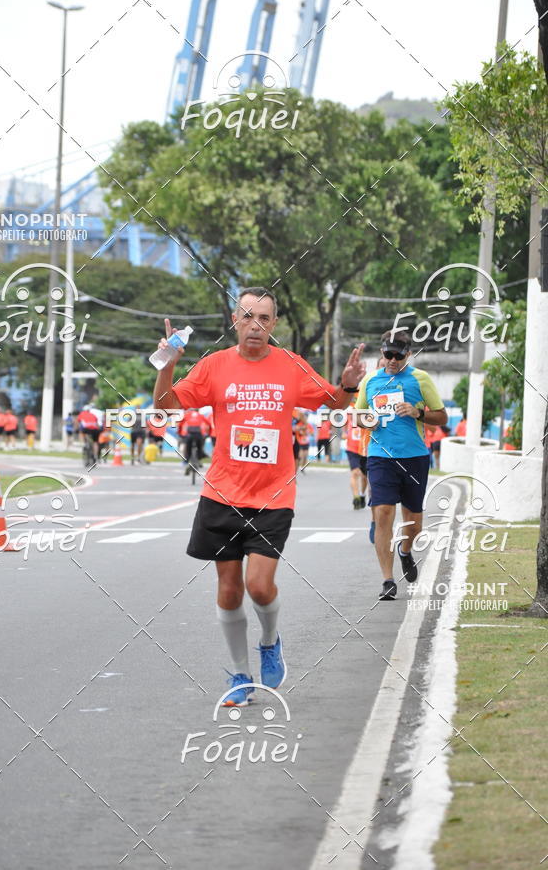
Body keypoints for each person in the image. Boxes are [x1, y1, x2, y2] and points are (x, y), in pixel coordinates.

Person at [153, 287, 366, 707]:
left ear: (274, 325)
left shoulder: (290, 366)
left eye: (264, 318)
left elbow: (332, 403)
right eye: (248, 316)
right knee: (229, 592)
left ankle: (269, 640)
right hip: (222, 494)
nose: (256, 325)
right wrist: (167, 366)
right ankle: (240, 676)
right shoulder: (214, 366)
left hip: (274, 496)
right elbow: (165, 407)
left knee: (259, 586)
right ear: (235, 320)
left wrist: (347, 386)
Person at [355, 330, 447, 601]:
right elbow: (358, 415)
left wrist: (417, 412)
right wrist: (366, 420)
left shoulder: (421, 379)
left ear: (408, 354)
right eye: (388, 355)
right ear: (382, 353)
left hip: (415, 457)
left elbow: (441, 416)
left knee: (414, 523)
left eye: (398, 355)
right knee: (383, 512)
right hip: (380, 456)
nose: (392, 360)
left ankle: (406, 551)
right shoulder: (371, 380)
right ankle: (387, 580)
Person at [344, 415, 367, 509]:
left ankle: (362, 495)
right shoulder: (348, 414)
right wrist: (344, 433)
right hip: (352, 449)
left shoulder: (367, 412)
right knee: (355, 472)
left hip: (364, 449)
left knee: (364, 476)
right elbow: (343, 426)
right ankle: (356, 498)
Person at [178, 408, 206, 474]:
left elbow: (181, 426)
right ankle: (199, 459)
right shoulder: (200, 416)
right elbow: (205, 426)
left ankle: (186, 460)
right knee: (200, 445)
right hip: (198, 434)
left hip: (187, 435)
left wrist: (180, 433)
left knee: (186, 447)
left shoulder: (187, 416)